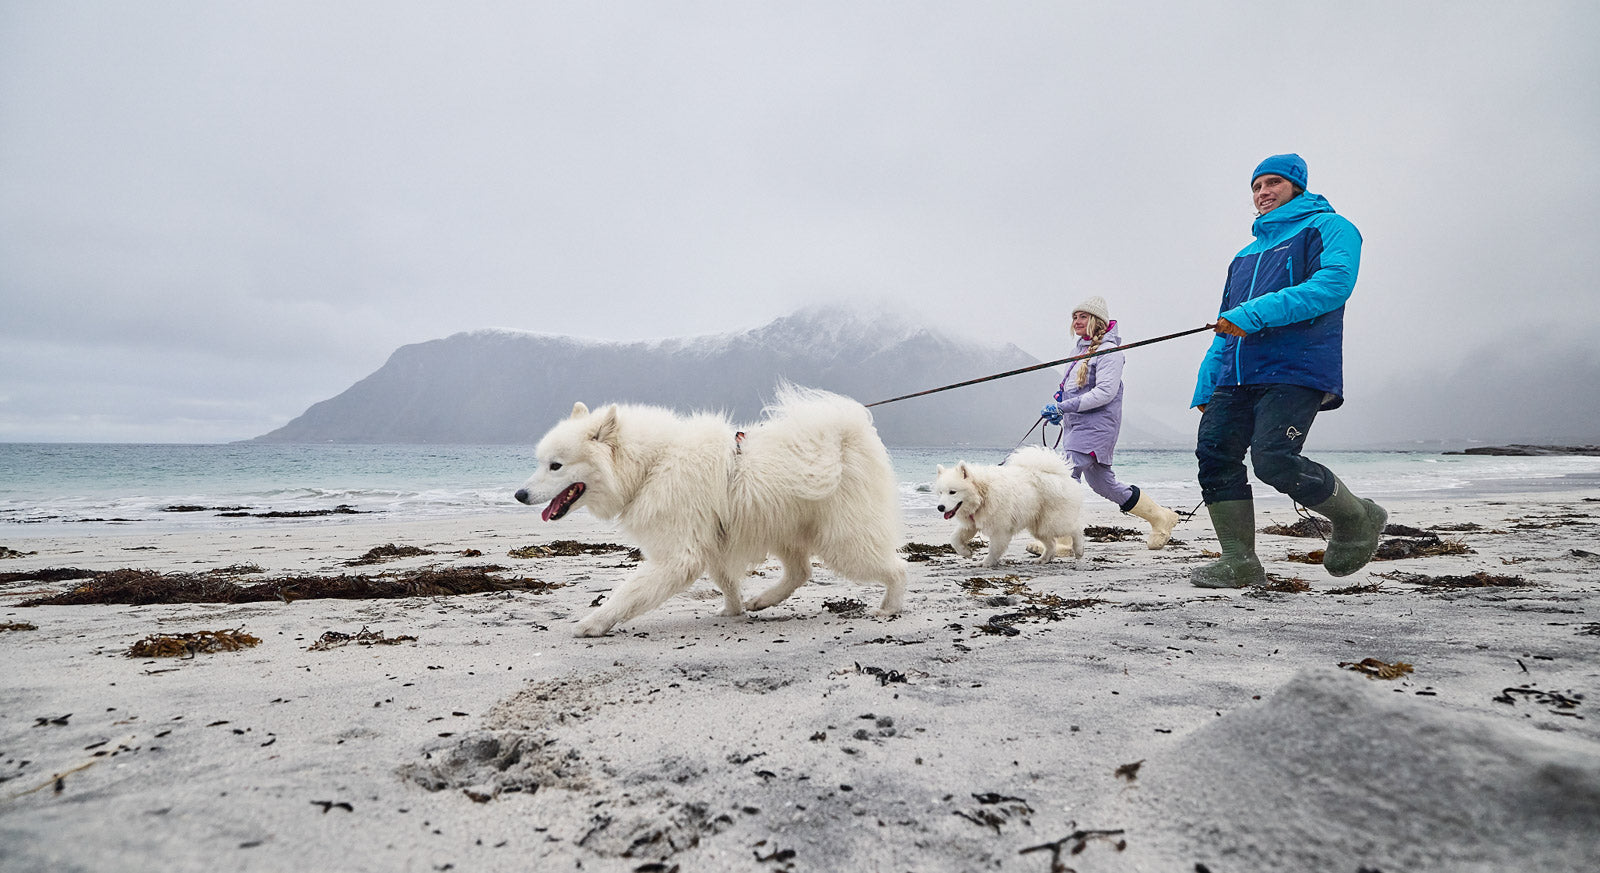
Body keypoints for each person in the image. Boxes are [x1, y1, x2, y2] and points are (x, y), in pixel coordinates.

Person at [1189, 153, 1388, 588]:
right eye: (1256, 187)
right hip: (1236, 376)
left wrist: (1255, 313)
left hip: (1295, 367)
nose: (1263, 193)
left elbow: (1333, 285)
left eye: (1273, 183)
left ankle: (1357, 518)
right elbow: (1226, 324)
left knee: (1274, 460)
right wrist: (1208, 383)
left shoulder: (1331, 227)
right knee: (1214, 457)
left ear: (1297, 186)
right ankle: (1239, 560)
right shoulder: (1243, 256)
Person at [1039, 295, 1181, 549]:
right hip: (1077, 427)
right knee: (1103, 484)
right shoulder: (1079, 351)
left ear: (1097, 321)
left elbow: (1105, 392)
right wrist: (1060, 405)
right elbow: (1075, 389)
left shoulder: (1110, 352)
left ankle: (1061, 541)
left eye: (1083, 316)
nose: (1077, 320)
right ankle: (1161, 517)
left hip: (1096, 428)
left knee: (1066, 475)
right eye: (1075, 316)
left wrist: (1064, 406)